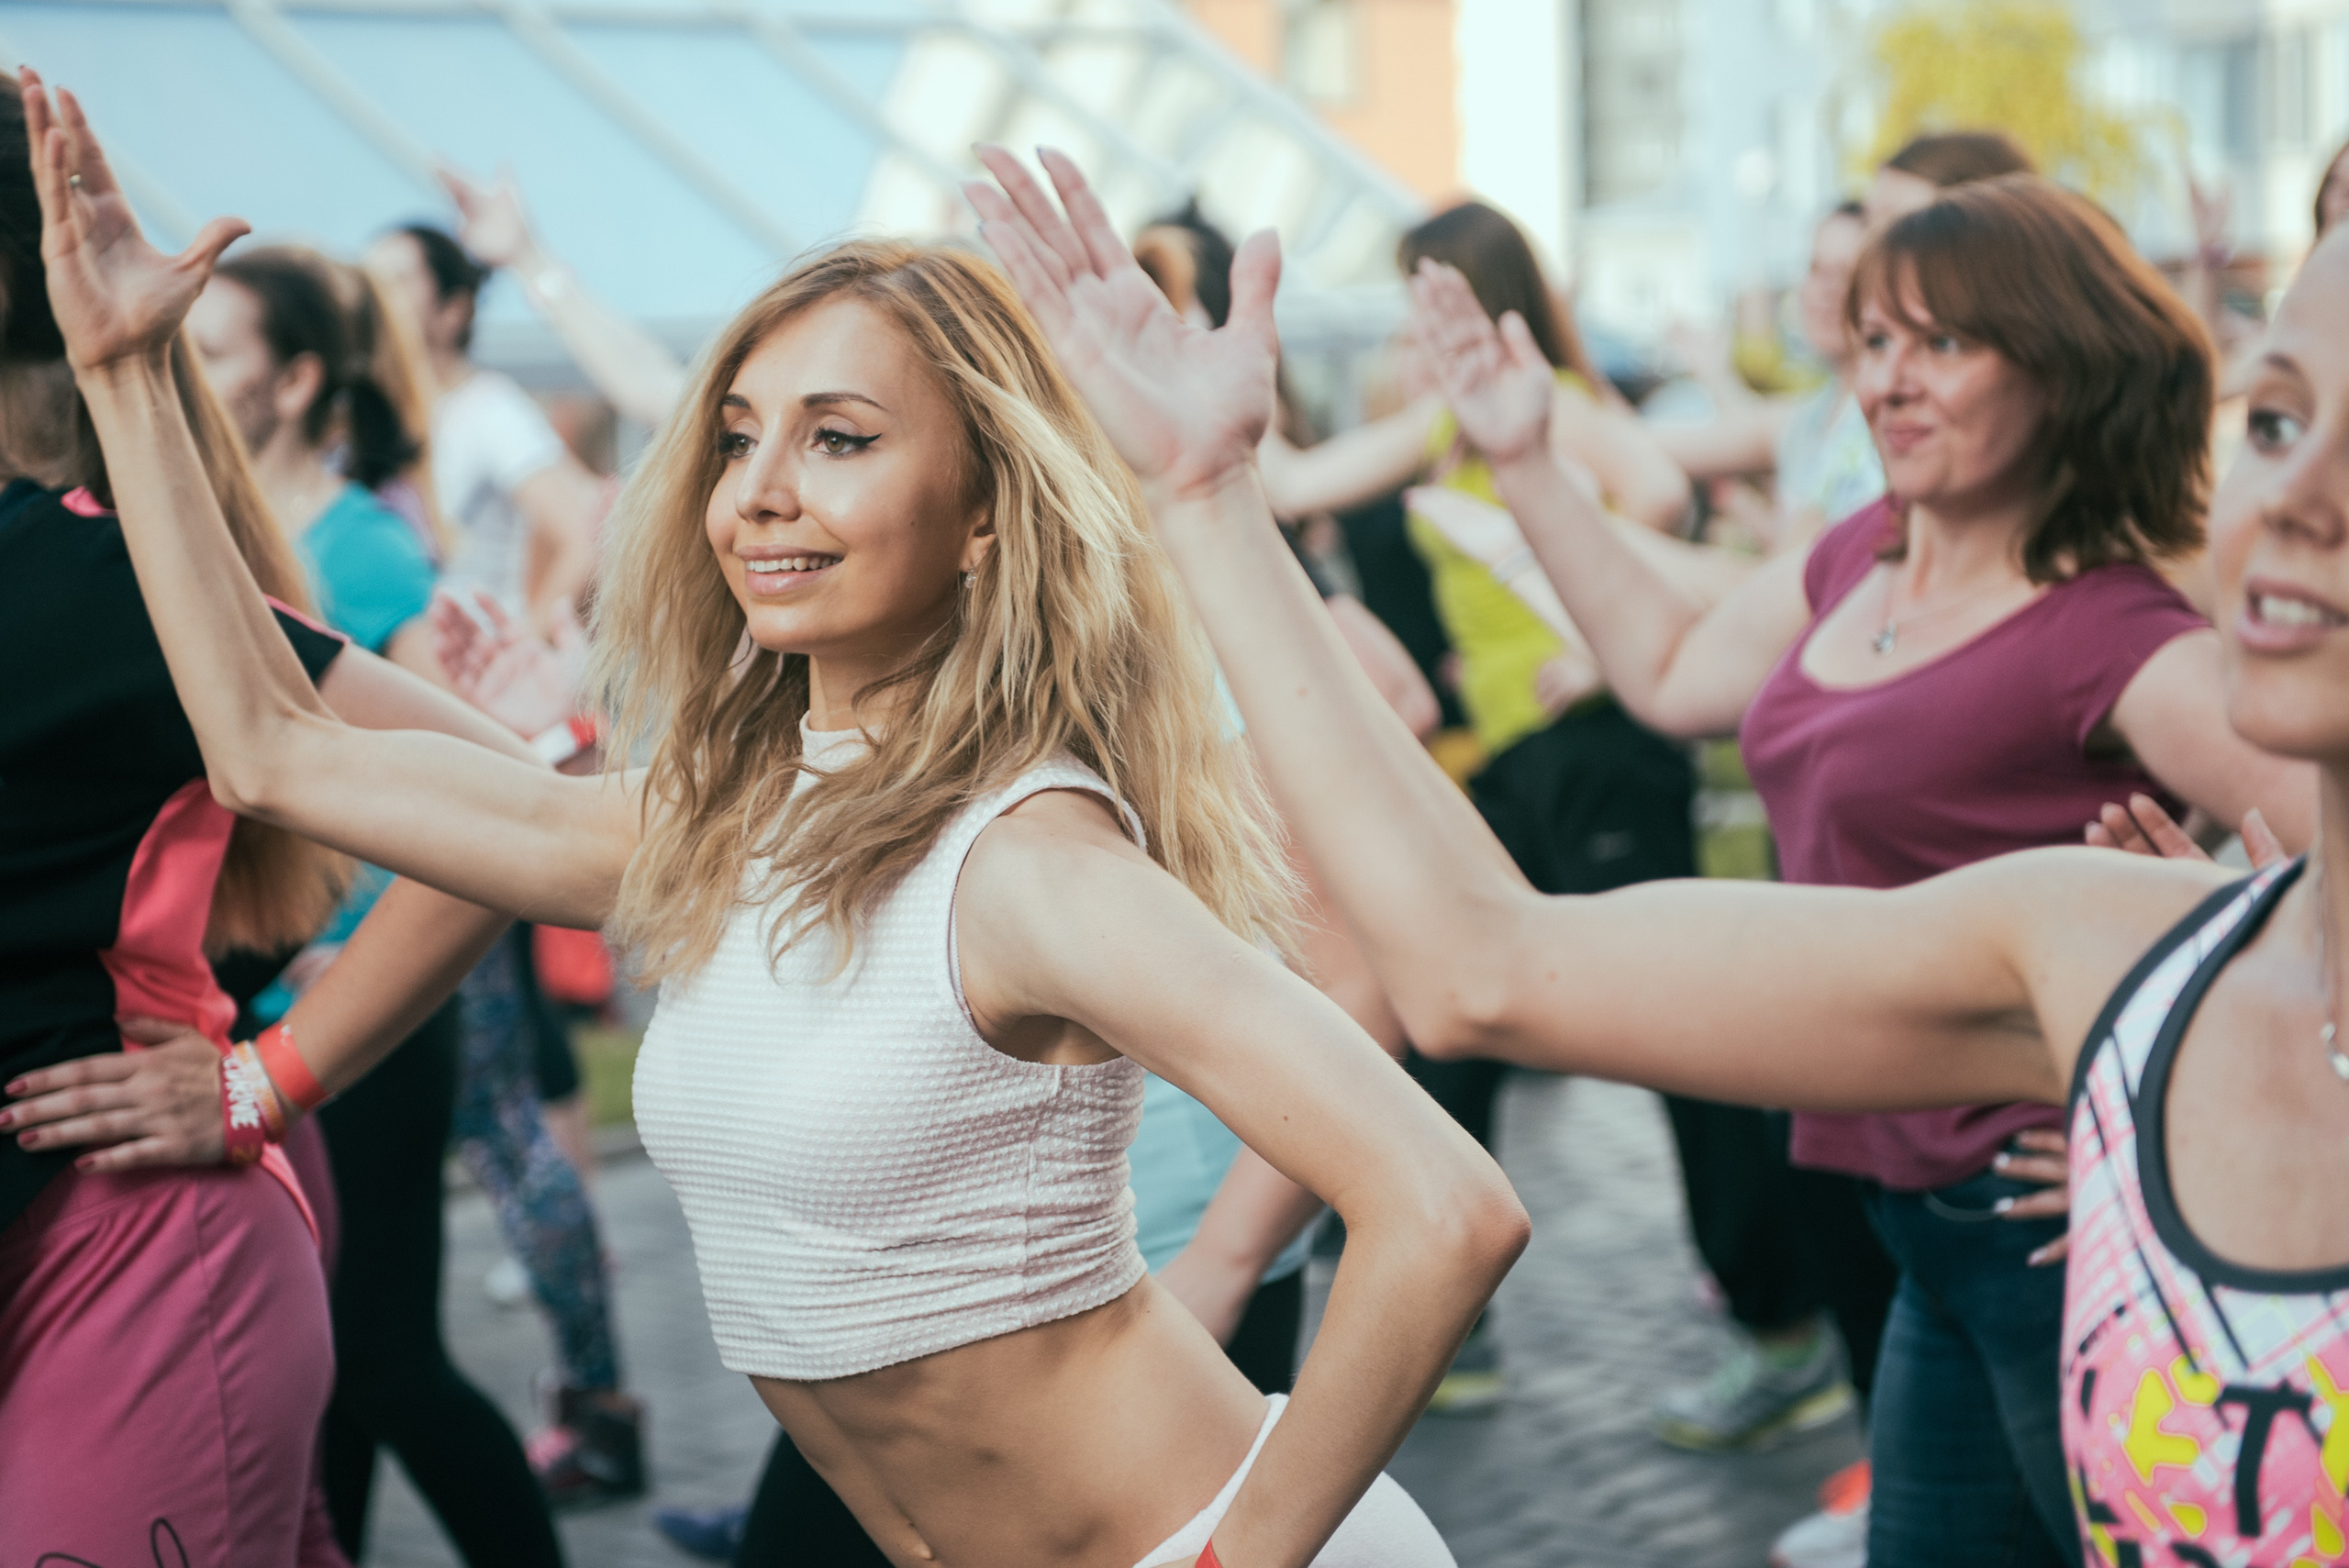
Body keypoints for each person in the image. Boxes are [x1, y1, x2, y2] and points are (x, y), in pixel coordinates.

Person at [50, 86, 1527, 1568]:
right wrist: (126, 374)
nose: (758, 494)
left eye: (839, 439)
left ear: (984, 512)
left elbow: (1445, 1207)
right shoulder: (721, 822)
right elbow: (273, 753)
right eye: (739, 436)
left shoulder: (1028, 865)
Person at [967, 138, 2349, 1568]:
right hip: (1919, 1200)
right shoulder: (2067, 900)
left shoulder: (2121, 657)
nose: (2295, 499)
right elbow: (1490, 950)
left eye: (1943, 341)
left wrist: (2194, 1049)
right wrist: (1213, 493)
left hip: (2024, 1227)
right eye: (2274, 424)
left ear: (2059, 370)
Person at [0, 70, 536, 1567]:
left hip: (122, 1251)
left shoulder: (92, 577)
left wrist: (266, 1079)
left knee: (404, 1369)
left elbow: (516, 813)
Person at [366, 219, 605, 639]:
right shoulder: (370, 416)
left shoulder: (489, 409)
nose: (374, 296)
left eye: (397, 281)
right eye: (368, 278)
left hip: (465, 664)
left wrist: (525, 645)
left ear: (453, 311)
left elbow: (589, 532)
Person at [1652, 204, 1883, 555]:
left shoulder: (1874, 425)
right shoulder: (1813, 415)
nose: (1826, 290)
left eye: (1846, 274)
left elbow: (1804, 567)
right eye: (1815, 269)